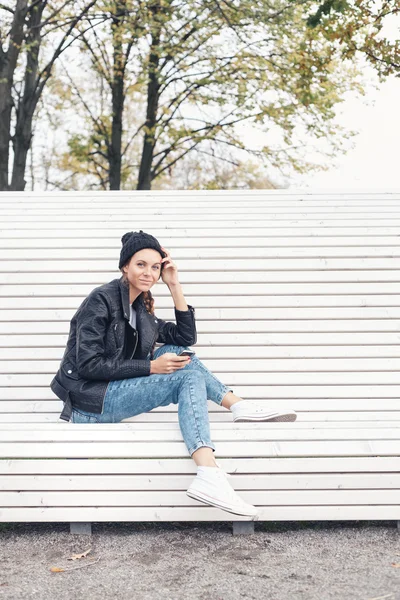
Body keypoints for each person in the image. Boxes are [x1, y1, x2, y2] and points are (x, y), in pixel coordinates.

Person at [50, 230, 297, 520]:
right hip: (89, 402)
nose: (148, 273)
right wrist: (151, 367)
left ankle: (237, 405)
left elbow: (185, 336)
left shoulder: (140, 310)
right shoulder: (101, 299)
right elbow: (88, 366)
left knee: (178, 350)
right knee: (186, 377)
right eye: (141, 264)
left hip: (113, 390)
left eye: (155, 267)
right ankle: (208, 471)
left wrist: (174, 285)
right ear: (125, 267)